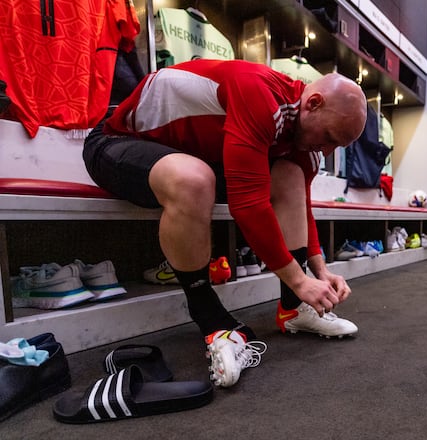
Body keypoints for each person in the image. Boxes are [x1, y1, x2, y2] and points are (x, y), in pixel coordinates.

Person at [83, 59, 368, 387]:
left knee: (289, 174)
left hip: (189, 154)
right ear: (313, 103)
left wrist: (319, 269)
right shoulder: (258, 93)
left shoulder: (304, 134)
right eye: (330, 137)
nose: (328, 150)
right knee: (194, 179)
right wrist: (299, 279)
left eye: (337, 146)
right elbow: (248, 206)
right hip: (117, 139)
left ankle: (293, 311)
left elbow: (300, 200)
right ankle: (212, 321)